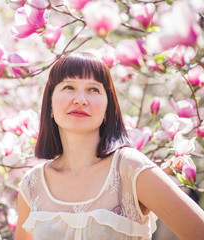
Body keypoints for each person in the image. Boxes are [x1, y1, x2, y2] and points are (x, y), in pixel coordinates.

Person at [14, 52, 204, 240]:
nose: (80, 99)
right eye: (69, 87)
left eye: (93, 89)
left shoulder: (129, 169)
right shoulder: (33, 185)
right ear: (50, 106)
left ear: (107, 108)